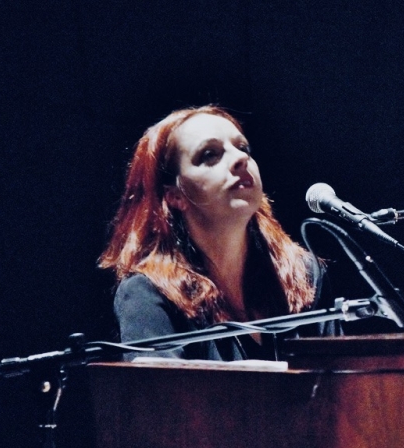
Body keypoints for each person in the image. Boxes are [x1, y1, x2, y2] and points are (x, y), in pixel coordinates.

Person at [99, 105, 338, 361]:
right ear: (175, 195)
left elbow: (340, 389)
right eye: (210, 154)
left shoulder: (304, 274)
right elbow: (157, 398)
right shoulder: (149, 293)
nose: (239, 159)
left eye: (243, 148)